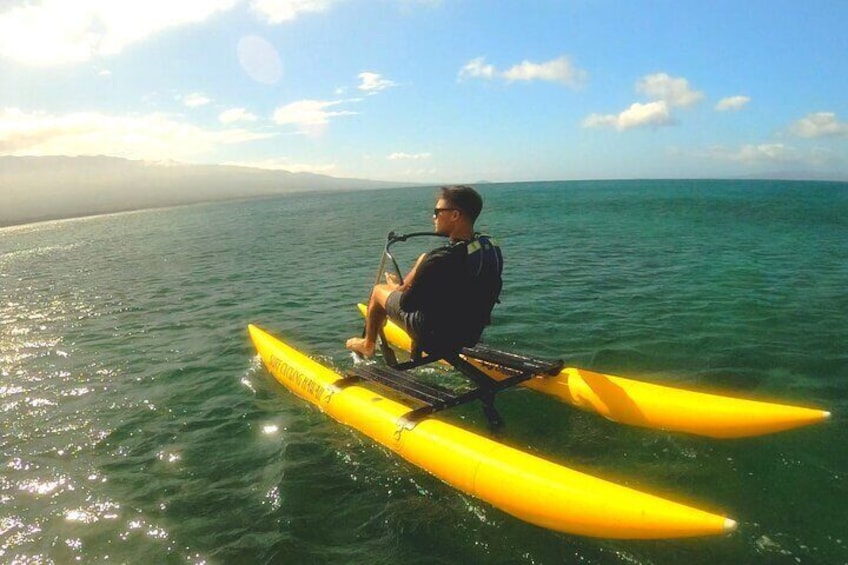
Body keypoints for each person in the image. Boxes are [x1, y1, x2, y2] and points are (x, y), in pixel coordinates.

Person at [346, 185, 503, 358]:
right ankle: (413, 348)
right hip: (469, 334)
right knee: (425, 278)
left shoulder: (438, 260)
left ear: (455, 215)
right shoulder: (487, 248)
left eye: (437, 212)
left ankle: (368, 344)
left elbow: (407, 305)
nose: (433, 217)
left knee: (378, 291)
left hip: (434, 337)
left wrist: (402, 285)